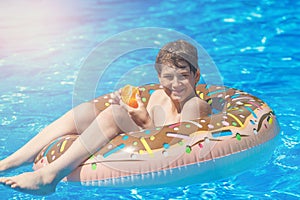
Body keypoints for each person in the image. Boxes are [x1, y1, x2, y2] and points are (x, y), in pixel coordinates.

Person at [0, 40, 211, 195]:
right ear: (158, 77)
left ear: (196, 75)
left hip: (164, 162)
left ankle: (49, 177)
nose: (175, 84)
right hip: (145, 139)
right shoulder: (157, 96)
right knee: (83, 112)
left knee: (113, 114)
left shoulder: (195, 105)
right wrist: (135, 112)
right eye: (168, 77)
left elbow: (180, 151)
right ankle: (12, 161)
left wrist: (143, 119)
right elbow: (151, 132)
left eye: (183, 76)